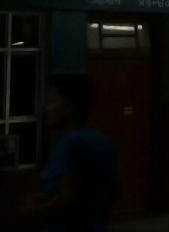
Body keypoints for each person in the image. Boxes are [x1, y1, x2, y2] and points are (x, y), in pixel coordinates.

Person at [20, 74, 117, 232]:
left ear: (68, 107)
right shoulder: (104, 142)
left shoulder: (68, 144)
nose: (46, 108)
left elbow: (67, 199)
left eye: (52, 101)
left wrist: (34, 210)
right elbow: (111, 190)